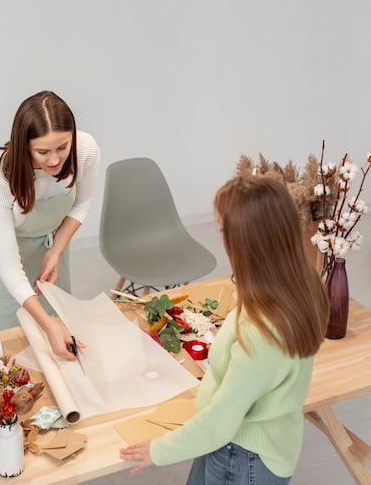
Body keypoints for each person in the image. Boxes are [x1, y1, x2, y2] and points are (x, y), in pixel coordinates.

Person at [119, 175, 329, 484]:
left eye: (221, 230)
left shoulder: (262, 329)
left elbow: (220, 421)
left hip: (241, 455)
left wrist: (159, 450)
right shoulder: (295, 288)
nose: (220, 238)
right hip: (248, 443)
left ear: (244, 240)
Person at [0, 90, 100, 360]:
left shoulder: (86, 149)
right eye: (42, 152)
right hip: (8, 259)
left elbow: (82, 202)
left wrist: (57, 249)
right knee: (10, 351)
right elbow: (9, 266)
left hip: (52, 249)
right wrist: (48, 326)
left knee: (58, 340)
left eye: (62, 147)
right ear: (24, 145)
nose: (55, 160)